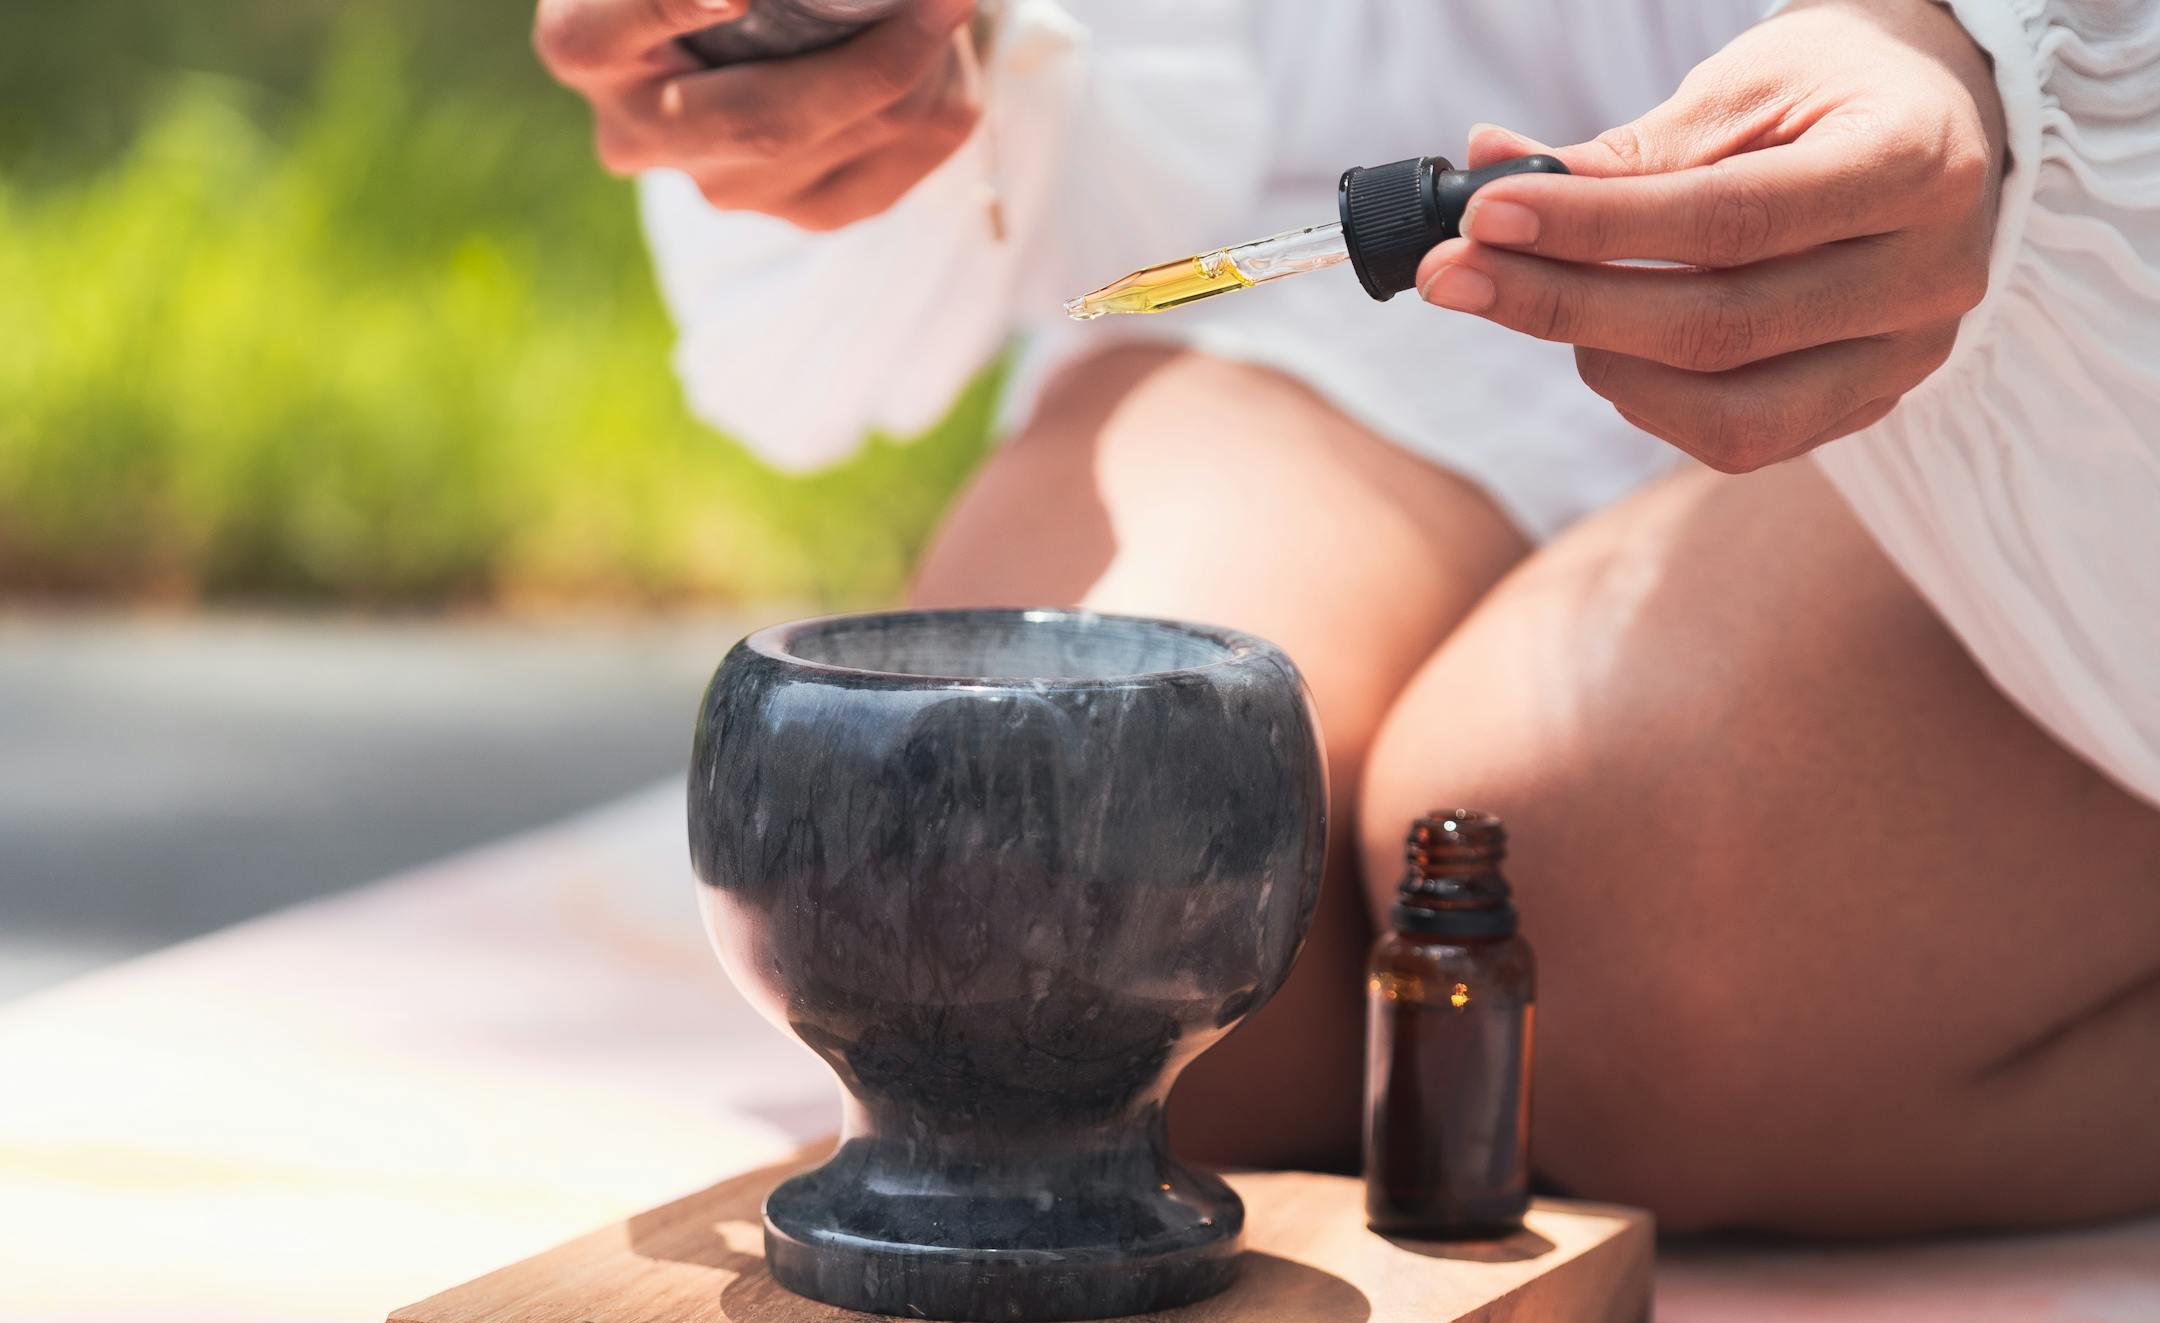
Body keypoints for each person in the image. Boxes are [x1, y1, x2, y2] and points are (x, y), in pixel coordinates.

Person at [536, 0, 2160, 1235]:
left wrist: (1974, 52)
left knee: (1609, 954)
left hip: (2020, 281)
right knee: (1044, 904)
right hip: (1333, 242)